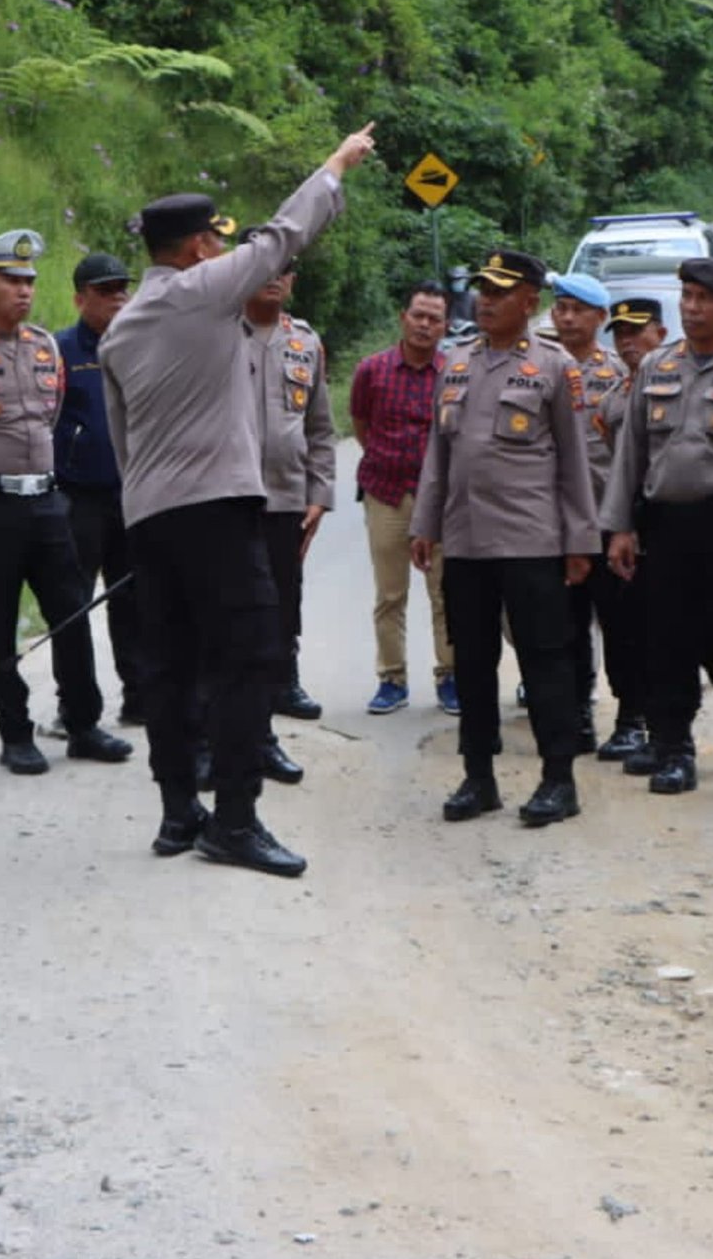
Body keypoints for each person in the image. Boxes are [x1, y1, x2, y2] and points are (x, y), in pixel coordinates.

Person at [100, 122, 377, 877]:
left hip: (150, 519)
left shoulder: (119, 331)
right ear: (195, 249)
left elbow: (125, 444)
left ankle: (177, 813)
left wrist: (147, 507)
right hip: (215, 512)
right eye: (215, 243)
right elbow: (286, 235)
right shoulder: (201, 291)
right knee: (250, 658)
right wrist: (338, 162)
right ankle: (235, 820)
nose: (223, 253)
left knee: (170, 665)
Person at [410, 248, 600, 828]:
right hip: (465, 542)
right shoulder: (458, 362)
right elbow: (439, 455)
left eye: (499, 292)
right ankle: (478, 776)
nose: (484, 300)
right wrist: (425, 522)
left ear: (529, 301)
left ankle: (558, 779)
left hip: (532, 542)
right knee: (471, 662)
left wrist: (579, 542)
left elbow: (575, 462)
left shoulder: (553, 365)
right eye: (481, 291)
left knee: (546, 661)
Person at [0, 230, 134, 775]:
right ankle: (15, 733)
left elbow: (51, 417)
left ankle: (82, 724)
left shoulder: (44, 346)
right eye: (11, 280)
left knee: (72, 613)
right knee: (0, 618)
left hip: (47, 502)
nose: (23, 290)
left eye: (29, 281)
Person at [603, 258, 713, 799]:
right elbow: (630, 455)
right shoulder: (658, 367)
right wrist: (619, 527)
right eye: (685, 296)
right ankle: (674, 752)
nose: (691, 307)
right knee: (667, 642)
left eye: (703, 298)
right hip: (664, 525)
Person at [238, 229, 334, 768]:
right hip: (230, 498)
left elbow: (321, 427)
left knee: (285, 597)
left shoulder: (305, 342)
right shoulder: (222, 334)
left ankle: (284, 681)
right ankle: (237, 701)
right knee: (237, 604)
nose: (275, 277)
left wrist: (318, 492)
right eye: (265, 267)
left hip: (287, 497)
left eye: (285, 270)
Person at [547, 272, 648, 761]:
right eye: (559, 308)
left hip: (608, 522)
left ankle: (631, 719)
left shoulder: (619, 376)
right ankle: (577, 718)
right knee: (564, 628)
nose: (566, 318)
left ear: (599, 318)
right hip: (555, 524)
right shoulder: (541, 368)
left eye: (577, 309)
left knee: (622, 626)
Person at [350, 282, 458, 715]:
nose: (425, 325)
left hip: (441, 500)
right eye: (419, 315)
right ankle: (391, 679)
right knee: (390, 594)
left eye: (434, 319)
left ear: (444, 327)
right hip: (387, 494)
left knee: (445, 594)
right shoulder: (372, 370)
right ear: (403, 317)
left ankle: (450, 676)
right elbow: (360, 425)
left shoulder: (454, 372)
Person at [52, 251, 147, 724]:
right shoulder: (60, 350)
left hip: (132, 496)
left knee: (134, 600)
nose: (117, 298)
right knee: (73, 603)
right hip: (79, 498)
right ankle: (74, 706)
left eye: (121, 289)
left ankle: (139, 699)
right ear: (79, 297)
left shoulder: (139, 346)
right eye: (105, 290)